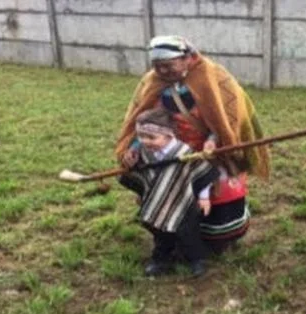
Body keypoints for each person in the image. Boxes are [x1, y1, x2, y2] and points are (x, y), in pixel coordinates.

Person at [115, 35, 271, 254]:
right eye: (157, 66)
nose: (162, 72)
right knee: (168, 196)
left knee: (214, 198)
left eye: (168, 66)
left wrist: (213, 141)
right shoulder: (151, 82)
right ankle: (173, 240)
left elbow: (228, 119)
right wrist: (133, 147)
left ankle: (217, 242)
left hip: (211, 154)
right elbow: (140, 119)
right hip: (170, 154)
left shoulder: (216, 77)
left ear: (186, 58)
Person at [118, 108, 220, 277]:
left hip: (183, 202)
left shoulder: (184, 153)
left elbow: (200, 172)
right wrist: (142, 193)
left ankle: (197, 260)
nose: (146, 141)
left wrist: (204, 198)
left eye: (151, 137)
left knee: (188, 231)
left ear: (169, 135)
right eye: (141, 137)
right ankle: (161, 259)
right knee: (160, 232)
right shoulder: (143, 154)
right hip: (156, 202)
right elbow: (143, 176)